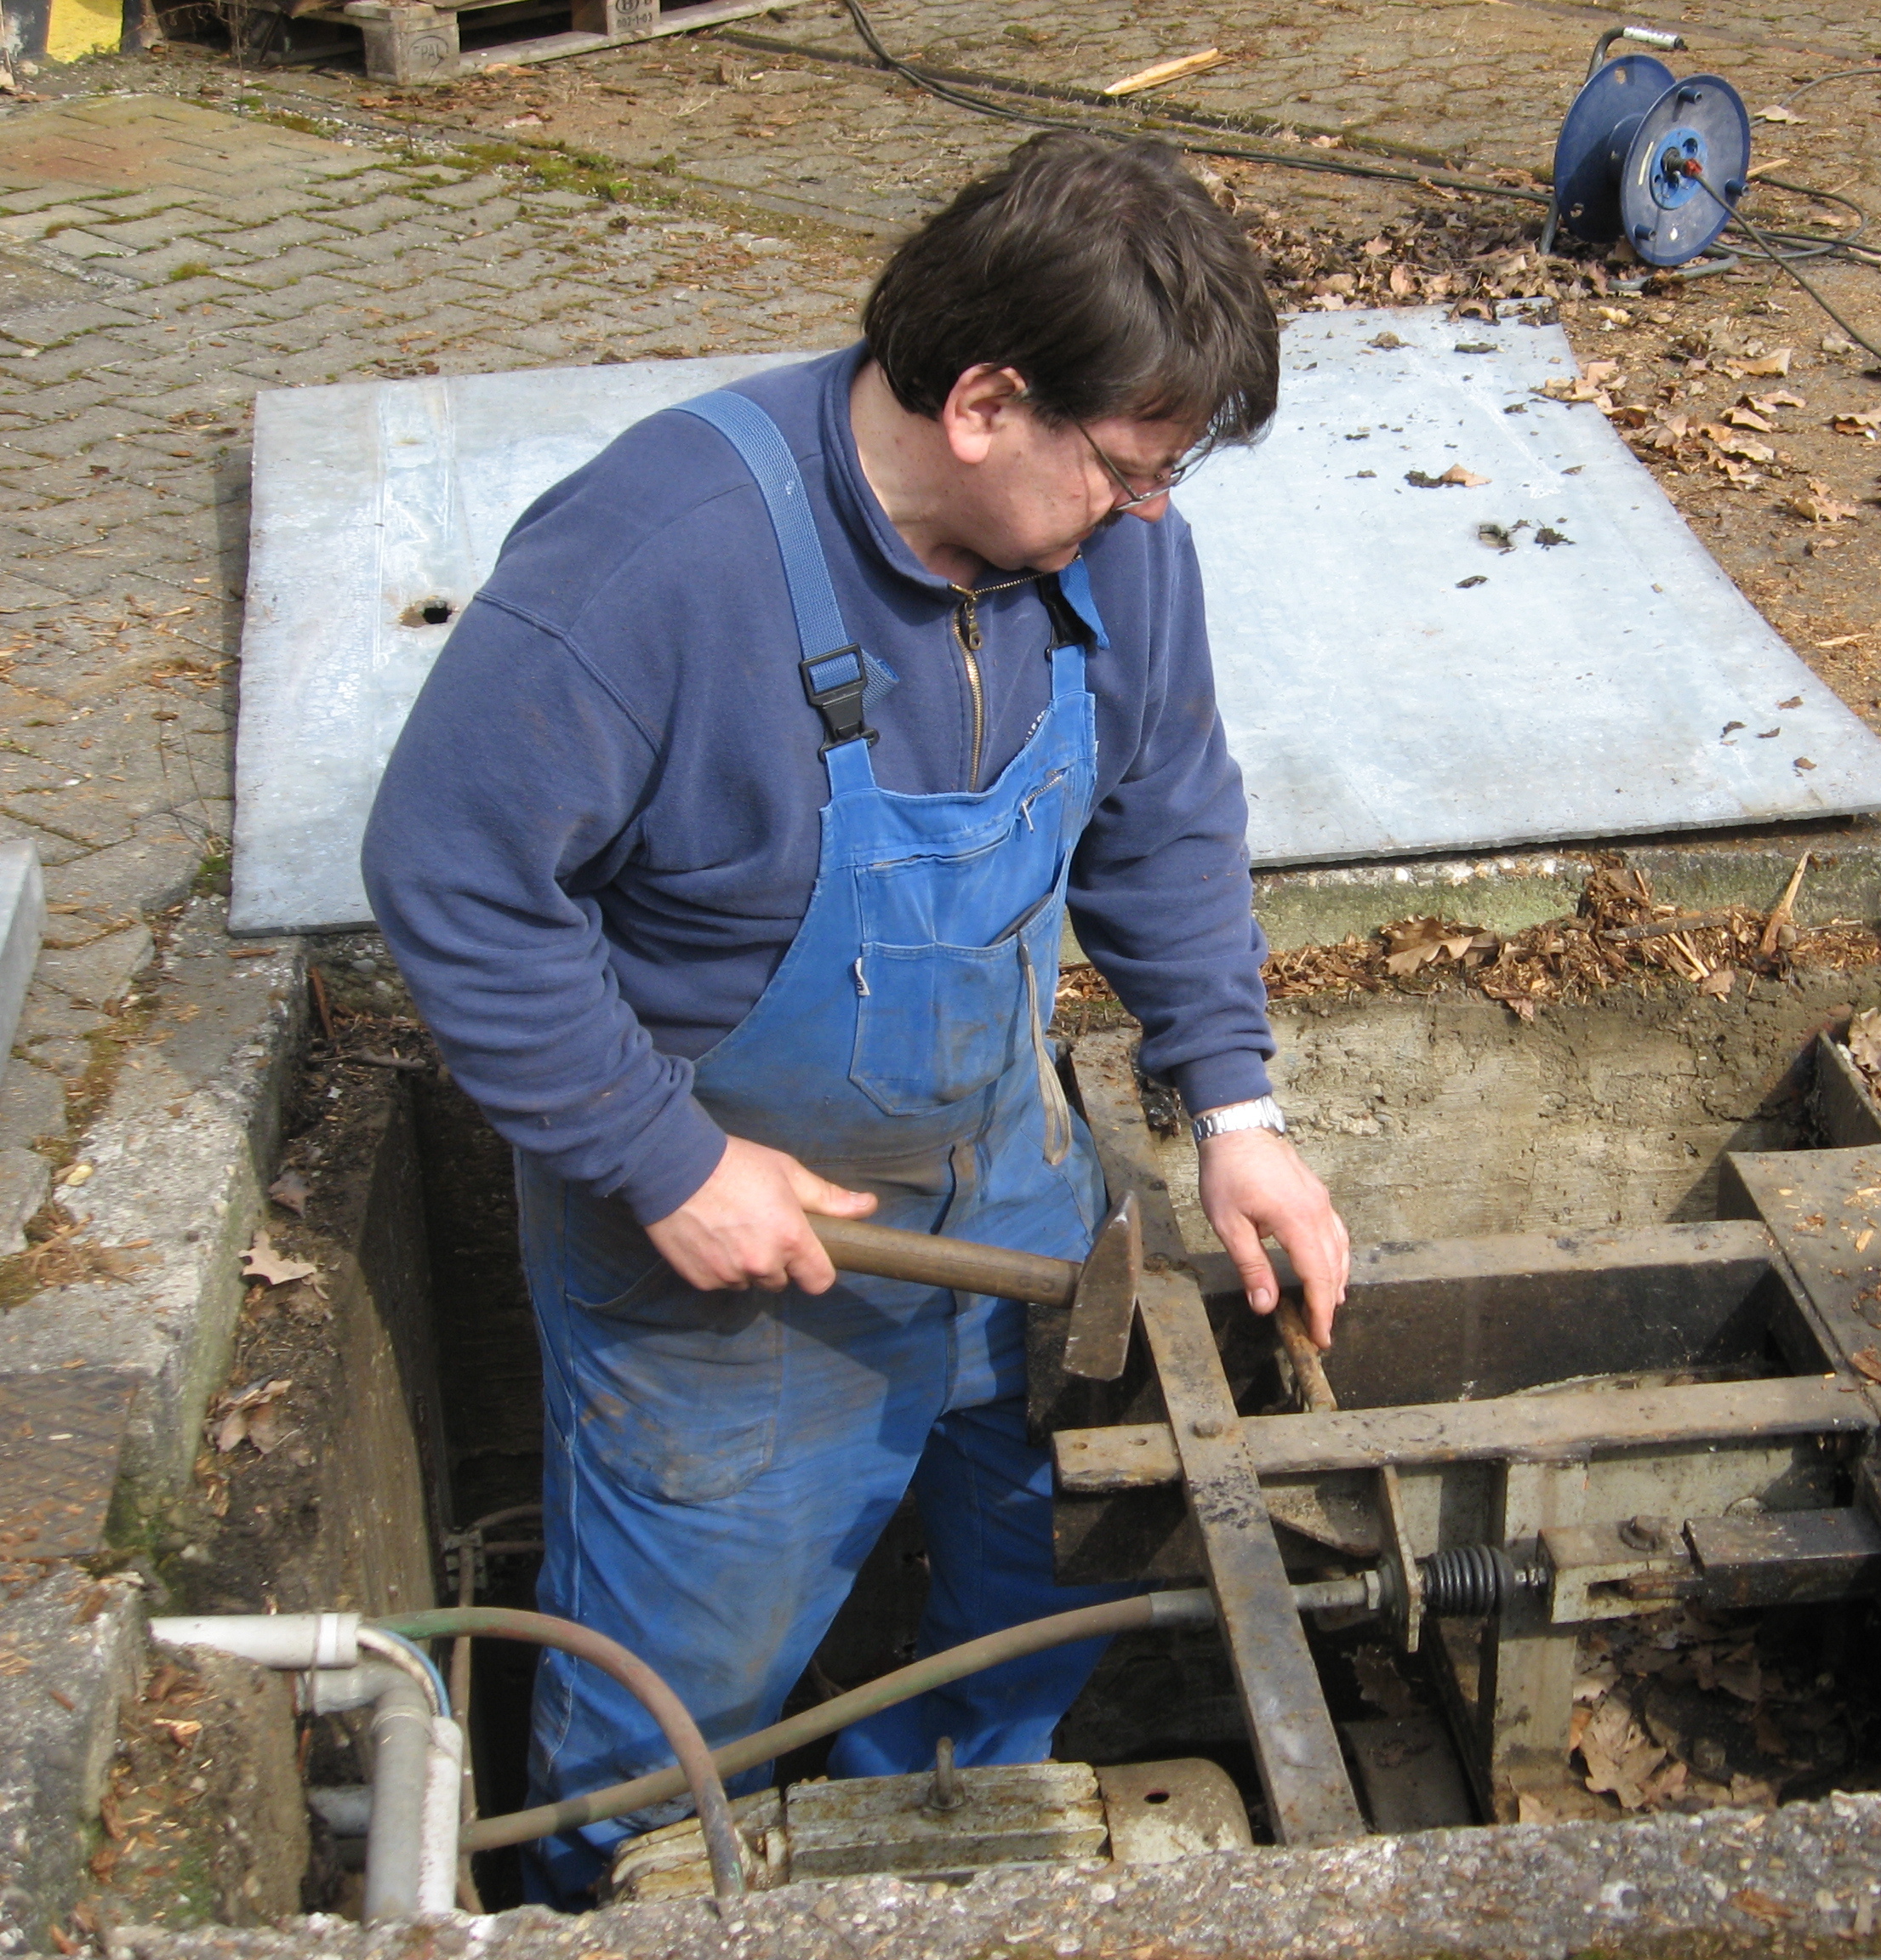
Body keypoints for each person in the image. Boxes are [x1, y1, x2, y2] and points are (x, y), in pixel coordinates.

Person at [361, 130, 1351, 1905]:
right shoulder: (658, 562)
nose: (1154, 512)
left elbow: (1164, 816)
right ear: (985, 404)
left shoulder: (1123, 560)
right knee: (679, 1713)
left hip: (1013, 1201)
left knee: (1039, 1589)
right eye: (1130, 468)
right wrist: (658, 1158)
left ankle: (948, 1868)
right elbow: (455, 873)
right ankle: (625, 1912)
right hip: (733, 1260)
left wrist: (1237, 1110)